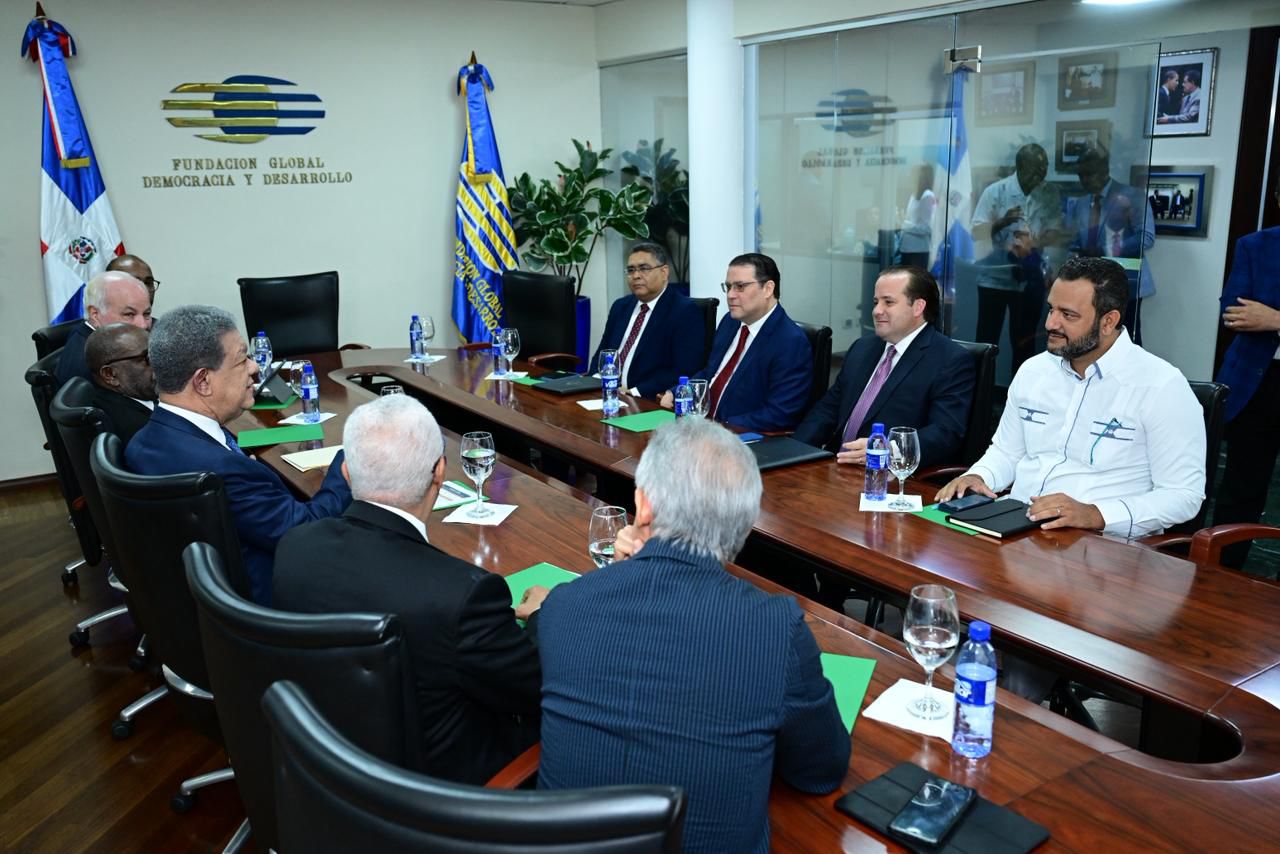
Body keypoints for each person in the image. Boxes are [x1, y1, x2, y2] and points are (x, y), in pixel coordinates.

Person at [533, 417, 850, 853]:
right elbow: (819, 772)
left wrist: (627, 574)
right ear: (745, 523)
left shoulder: (565, 606)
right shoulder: (777, 630)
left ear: (642, 506)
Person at [274, 395, 542, 783]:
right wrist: (541, 617)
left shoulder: (294, 548)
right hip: (445, 793)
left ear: (345, 473)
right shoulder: (463, 596)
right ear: (440, 471)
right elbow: (535, 686)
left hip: (327, 767)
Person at [936, 256, 1204, 541]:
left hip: (1103, 544)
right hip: (1015, 529)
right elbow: (1007, 452)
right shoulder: (1034, 371)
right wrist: (980, 476)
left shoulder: (1161, 386)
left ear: (1108, 321)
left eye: (1068, 315)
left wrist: (1097, 514)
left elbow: (1183, 495)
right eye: (1052, 309)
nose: (1051, 323)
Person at [125, 305, 351, 605]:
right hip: (267, 603)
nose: (254, 368)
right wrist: (347, 462)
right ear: (203, 381)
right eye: (242, 359)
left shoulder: (142, 442)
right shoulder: (222, 469)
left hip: (192, 598)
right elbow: (307, 533)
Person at [794, 265, 974, 468]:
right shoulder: (862, 347)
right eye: (875, 302)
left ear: (918, 307)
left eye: (888, 302)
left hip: (890, 474)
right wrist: (794, 452)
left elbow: (945, 434)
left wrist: (887, 451)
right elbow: (828, 410)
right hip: (836, 465)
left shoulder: (950, 360)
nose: (876, 311)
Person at [659, 253, 812, 431]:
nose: (730, 295)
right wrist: (677, 391)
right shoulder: (730, 322)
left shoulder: (790, 342)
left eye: (740, 287)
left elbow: (779, 414)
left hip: (740, 437)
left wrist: (721, 428)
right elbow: (711, 373)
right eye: (728, 287)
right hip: (701, 428)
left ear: (768, 289)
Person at [1212, 186, 1280, 570]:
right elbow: (1233, 313)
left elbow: (1260, 318)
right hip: (1257, 383)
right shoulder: (1255, 245)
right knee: (1240, 489)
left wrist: (1274, 319)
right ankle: (1221, 576)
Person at [589, 241, 705, 398]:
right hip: (605, 393)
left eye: (644, 269)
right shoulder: (620, 306)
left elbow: (684, 369)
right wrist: (595, 382)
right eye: (631, 270)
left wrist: (634, 392)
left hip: (644, 398)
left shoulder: (684, 312)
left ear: (664, 272)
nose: (636, 276)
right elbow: (602, 353)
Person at [1066, 145, 1156, 344]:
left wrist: (1105, 250)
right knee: (1092, 338)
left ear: (1104, 170)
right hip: (1090, 284)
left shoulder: (1132, 196)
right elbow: (1074, 241)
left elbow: (1146, 237)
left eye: (1089, 174)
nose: (1084, 180)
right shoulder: (1080, 203)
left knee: (1125, 340)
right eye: (1081, 175)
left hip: (1125, 281)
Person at [974, 219, 1047, 374]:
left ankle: (1021, 387)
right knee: (986, 341)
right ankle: (980, 387)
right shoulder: (1003, 222)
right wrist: (1003, 220)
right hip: (992, 278)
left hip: (1026, 284)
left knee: (1024, 343)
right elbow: (978, 231)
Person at [57, 271, 152, 384]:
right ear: (95, 314)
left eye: (146, 314)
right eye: (129, 314)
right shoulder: (92, 367)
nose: (143, 325)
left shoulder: (100, 340)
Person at [971, 143, 1062, 250]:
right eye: (1035, 168)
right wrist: (1003, 222)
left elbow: (1054, 230)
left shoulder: (1050, 192)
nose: (1041, 173)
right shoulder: (994, 192)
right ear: (1020, 168)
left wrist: (1034, 244)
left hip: (1036, 256)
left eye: (1044, 166)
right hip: (1000, 257)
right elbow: (976, 233)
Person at [83, 323, 156, 444]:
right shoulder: (139, 430)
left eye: (157, 353)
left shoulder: (139, 394)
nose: (159, 363)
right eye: (147, 358)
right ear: (110, 374)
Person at [899, 163, 936, 270]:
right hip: (907, 249)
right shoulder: (914, 194)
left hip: (918, 252)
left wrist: (904, 224)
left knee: (915, 280)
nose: (909, 176)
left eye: (912, 173)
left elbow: (927, 228)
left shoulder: (927, 195)